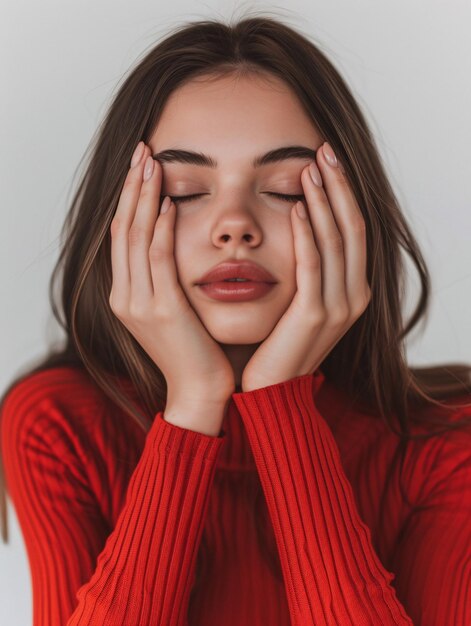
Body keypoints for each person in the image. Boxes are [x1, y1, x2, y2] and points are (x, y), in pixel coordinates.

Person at [1, 14, 470, 626]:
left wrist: (281, 406)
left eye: (283, 188)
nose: (235, 225)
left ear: (354, 220)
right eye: (187, 189)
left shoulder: (448, 442)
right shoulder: (58, 425)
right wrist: (193, 404)